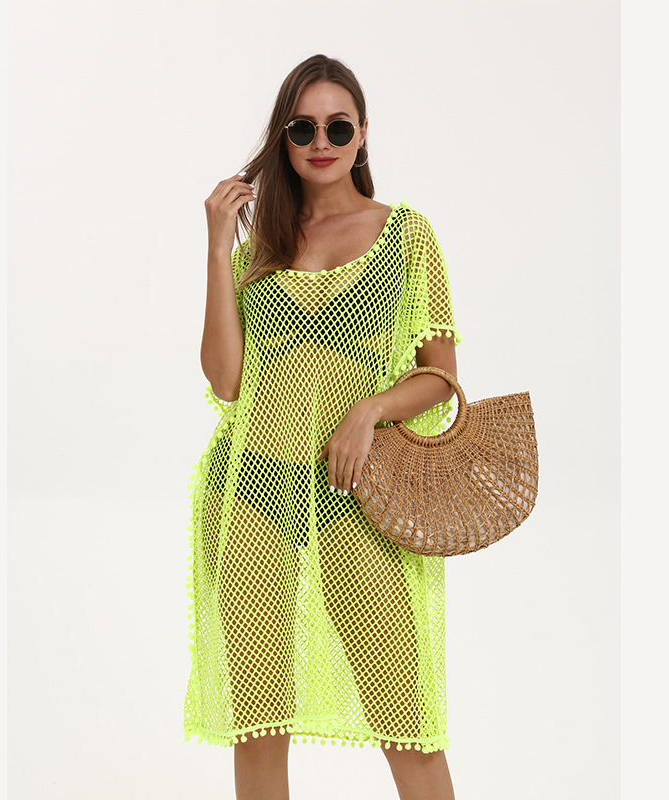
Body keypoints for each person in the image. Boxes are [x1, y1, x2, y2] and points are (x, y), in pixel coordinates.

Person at [183, 53, 463, 800]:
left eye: (338, 126)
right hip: (251, 490)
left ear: (362, 134)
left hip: (353, 494)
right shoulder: (260, 248)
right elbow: (226, 381)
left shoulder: (405, 235)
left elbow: (441, 376)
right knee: (259, 722)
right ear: (284, 136)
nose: (321, 141)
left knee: (405, 717)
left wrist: (368, 411)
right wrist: (217, 247)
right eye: (303, 127)